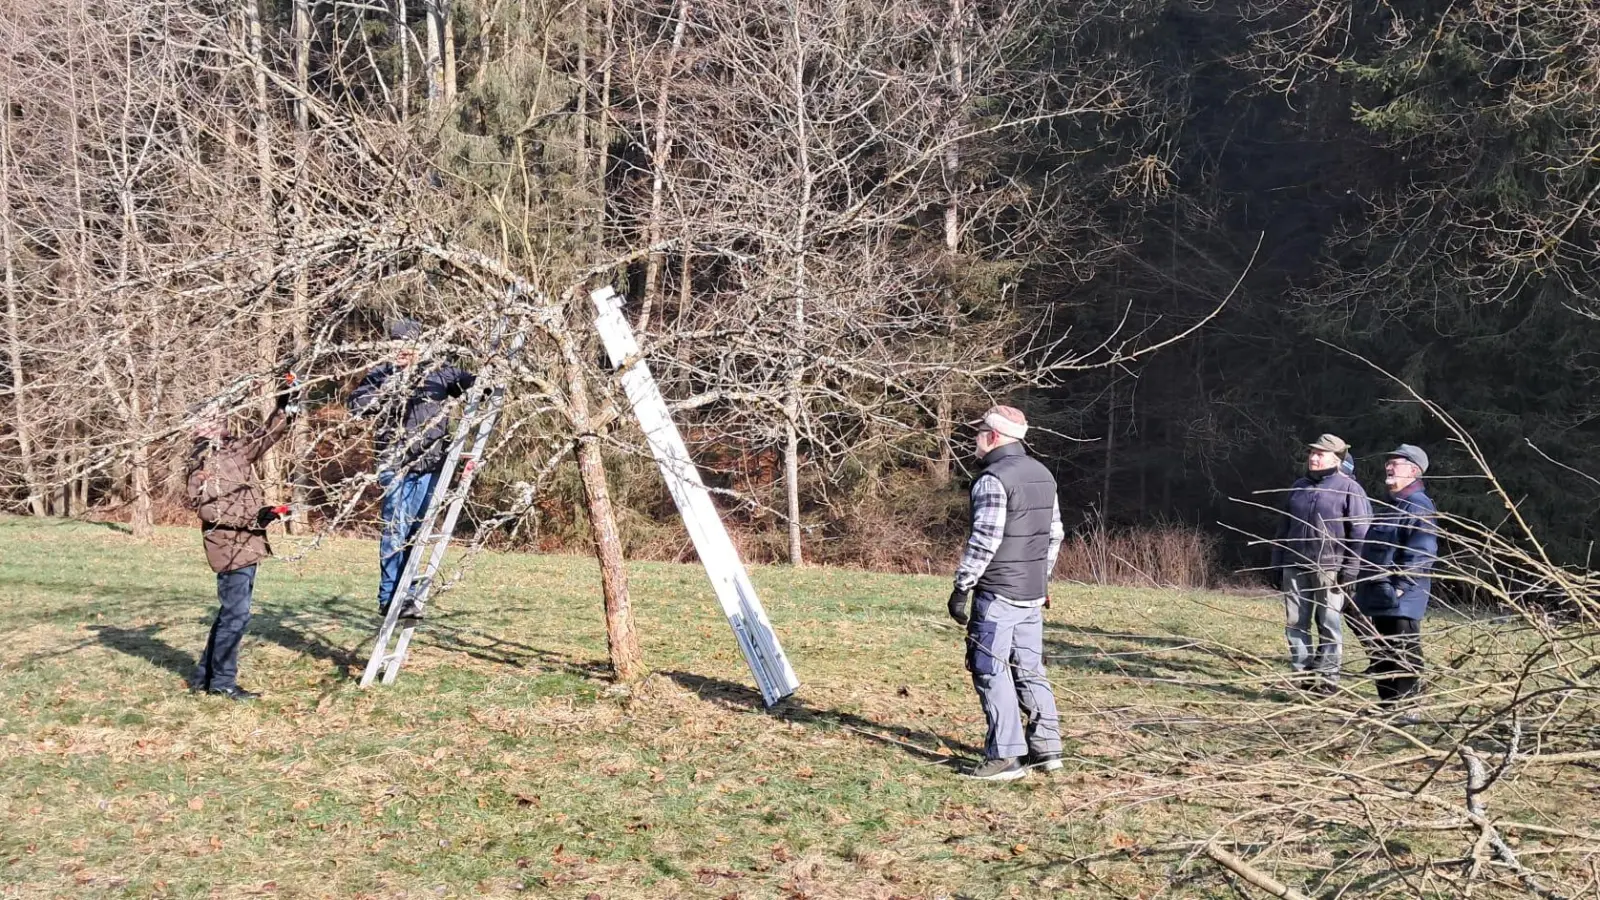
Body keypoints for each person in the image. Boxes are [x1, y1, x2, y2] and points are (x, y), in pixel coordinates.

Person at [947, 405, 1066, 781]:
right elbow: (1055, 535)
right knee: (1030, 669)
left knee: (989, 669)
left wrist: (961, 586)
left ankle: (1005, 756)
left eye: (979, 431)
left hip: (997, 594)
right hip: (1031, 594)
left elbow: (984, 540)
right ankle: (1047, 748)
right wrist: (1041, 580)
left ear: (994, 436)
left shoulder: (992, 479)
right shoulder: (1043, 475)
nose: (974, 438)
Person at [348, 318, 476, 618]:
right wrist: (386, 392)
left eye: (406, 344)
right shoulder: (381, 374)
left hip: (430, 464)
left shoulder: (439, 372)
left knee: (416, 531)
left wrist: (486, 380)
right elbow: (357, 404)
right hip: (394, 464)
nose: (401, 350)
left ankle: (407, 593)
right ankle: (390, 596)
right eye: (395, 345)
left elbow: (472, 384)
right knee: (396, 528)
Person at [185, 391, 296, 700]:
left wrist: (284, 406)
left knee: (230, 614)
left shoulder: (233, 448)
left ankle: (204, 677)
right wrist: (255, 518)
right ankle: (222, 683)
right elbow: (205, 508)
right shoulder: (200, 461)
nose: (219, 419)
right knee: (236, 616)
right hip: (227, 548)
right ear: (196, 426)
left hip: (247, 544)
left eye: (220, 414)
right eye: (210, 416)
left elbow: (266, 436)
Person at [1271, 433, 1371, 695]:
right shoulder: (1298, 486)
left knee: (1328, 623)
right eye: (1312, 453)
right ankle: (1302, 676)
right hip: (1294, 565)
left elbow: (1360, 534)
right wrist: (1277, 562)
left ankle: (1327, 680)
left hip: (1331, 568)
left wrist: (1350, 570)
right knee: (1295, 623)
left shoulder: (1350, 488)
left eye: (1320, 454)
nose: (1314, 458)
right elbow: (1283, 527)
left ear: (1337, 459)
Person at [1353, 445, 1438, 723]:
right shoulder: (1392, 505)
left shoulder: (1418, 505)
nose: (1389, 467)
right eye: (1388, 463)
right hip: (1382, 594)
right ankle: (1389, 709)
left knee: (1403, 653)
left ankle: (1408, 710)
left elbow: (1421, 550)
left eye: (1396, 463)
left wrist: (1400, 585)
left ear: (1414, 470)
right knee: (1383, 654)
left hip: (1401, 598)